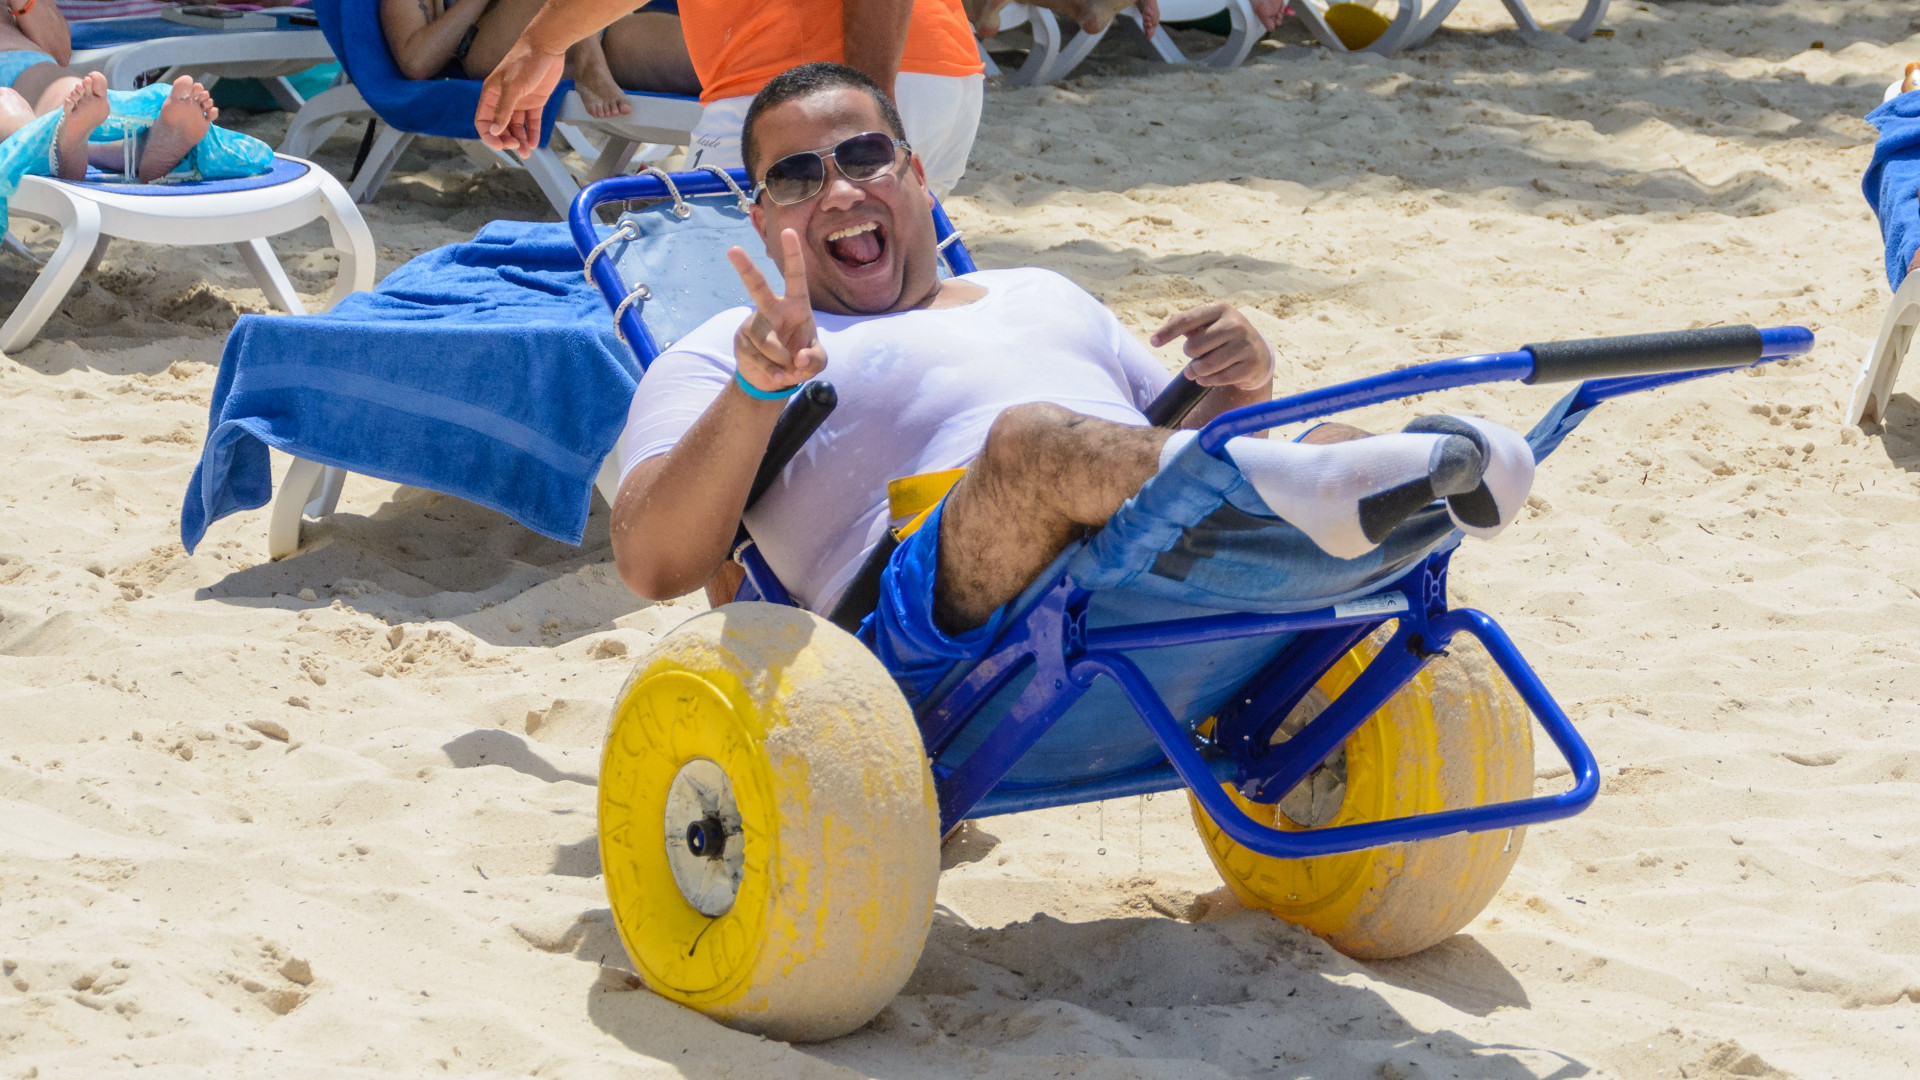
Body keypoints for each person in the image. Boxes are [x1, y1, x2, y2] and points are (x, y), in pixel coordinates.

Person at [609, 63, 1533, 697]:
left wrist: (1236, 384)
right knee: (1030, 443)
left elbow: (1154, 447)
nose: (842, 191)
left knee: (1326, 445)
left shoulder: (1039, 291)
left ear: (918, 175)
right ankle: (1357, 483)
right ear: (760, 213)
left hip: (1147, 562)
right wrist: (755, 392)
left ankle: (1388, 476)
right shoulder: (730, 349)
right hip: (925, 617)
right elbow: (653, 562)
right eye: (797, 177)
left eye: (864, 158)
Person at [474, 0, 986, 196]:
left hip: (812, 85)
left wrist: (864, 105)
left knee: (707, 315)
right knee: (864, 324)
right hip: (944, 73)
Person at [381, 0, 696, 119]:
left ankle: (590, 53)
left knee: (712, 63)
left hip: (607, 30)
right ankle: (590, 65)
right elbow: (417, 61)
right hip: (499, 48)